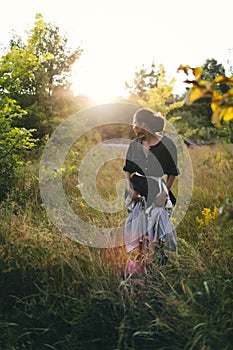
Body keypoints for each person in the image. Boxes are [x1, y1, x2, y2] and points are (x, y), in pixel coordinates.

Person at [123, 108, 179, 269]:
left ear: (143, 124)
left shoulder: (167, 144)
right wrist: (129, 189)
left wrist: (165, 192)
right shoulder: (135, 144)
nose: (133, 126)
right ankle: (140, 265)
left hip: (157, 189)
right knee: (139, 229)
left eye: (135, 123)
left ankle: (157, 264)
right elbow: (127, 169)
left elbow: (172, 173)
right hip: (137, 189)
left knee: (156, 227)